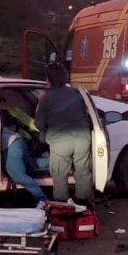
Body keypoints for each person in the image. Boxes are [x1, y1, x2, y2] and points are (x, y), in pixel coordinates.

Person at [34, 63, 93, 205]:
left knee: (60, 174)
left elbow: (39, 123)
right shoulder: (77, 93)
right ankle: (83, 203)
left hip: (60, 141)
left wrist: (43, 133)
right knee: (83, 171)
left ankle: (62, 204)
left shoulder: (46, 97)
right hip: (82, 139)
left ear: (49, 79)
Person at [0, 95, 48, 206]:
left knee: (18, 174)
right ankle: (57, 161)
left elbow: (30, 122)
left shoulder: (9, 110)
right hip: (17, 141)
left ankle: (43, 200)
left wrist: (44, 132)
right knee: (31, 164)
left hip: (12, 144)